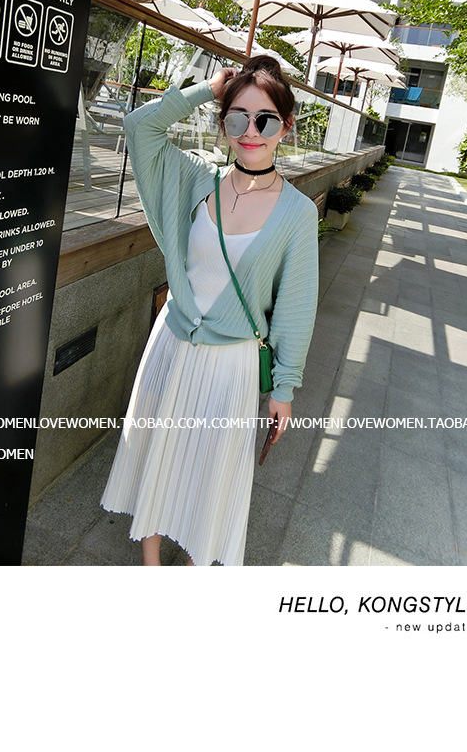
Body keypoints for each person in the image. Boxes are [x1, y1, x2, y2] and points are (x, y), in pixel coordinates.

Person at [100, 55, 319, 566]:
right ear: (223, 124)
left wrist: (284, 388)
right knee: (157, 452)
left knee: (210, 470)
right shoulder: (199, 178)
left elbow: (296, 306)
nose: (251, 131)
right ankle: (151, 563)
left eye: (265, 120)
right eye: (237, 118)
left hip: (231, 364)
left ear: (286, 127)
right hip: (171, 345)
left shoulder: (298, 213)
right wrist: (208, 88)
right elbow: (139, 127)